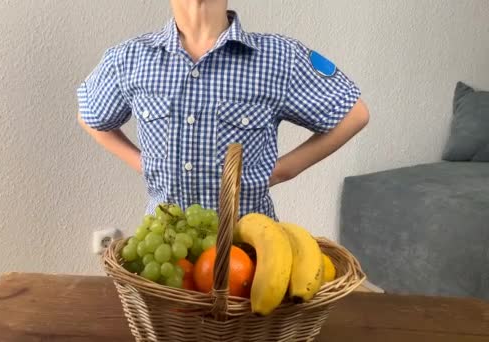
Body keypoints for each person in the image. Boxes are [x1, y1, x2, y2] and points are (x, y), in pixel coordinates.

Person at [77, 0, 369, 219]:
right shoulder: (128, 58)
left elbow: (353, 115)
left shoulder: (279, 58)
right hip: (166, 251)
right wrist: (140, 162)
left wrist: (283, 170)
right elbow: (91, 116)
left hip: (248, 254)